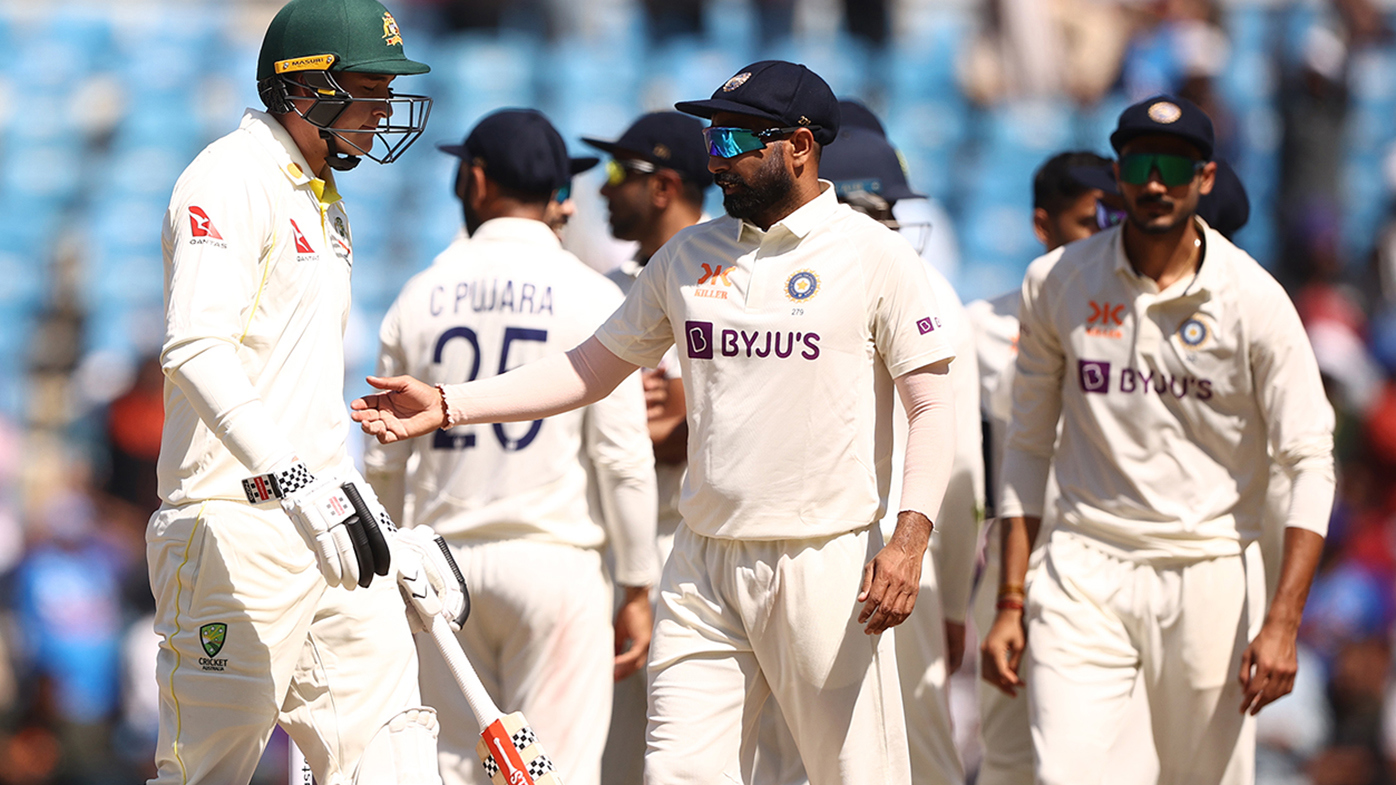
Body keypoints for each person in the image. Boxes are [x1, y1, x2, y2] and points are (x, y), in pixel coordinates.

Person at [351, 60, 960, 784]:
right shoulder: (687, 257)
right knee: (677, 772)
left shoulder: (874, 256)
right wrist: (451, 403)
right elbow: (588, 368)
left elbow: (932, 406)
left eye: (733, 141)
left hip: (825, 560)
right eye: (710, 140)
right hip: (703, 564)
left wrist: (909, 540)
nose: (716, 161)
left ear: (799, 146)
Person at [146, 1, 463, 782]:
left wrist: (366, 512)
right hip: (231, 526)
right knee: (208, 770)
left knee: (393, 752)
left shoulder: (323, 199)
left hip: (325, 522)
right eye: (370, 87)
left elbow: (298, 387)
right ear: (305, 87)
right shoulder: (230, 177)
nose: (385, 108)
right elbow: (195, 348)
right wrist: (294, 482)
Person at [980, 94, 1335, 785]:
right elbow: (1027, 444)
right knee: (1069, 774)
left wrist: (1284, 621)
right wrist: (1011, 600)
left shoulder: (1254, 299)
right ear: (1118, 173)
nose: (1154, 183)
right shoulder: (1057, 282)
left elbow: (1311, 459)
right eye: (1141, 164)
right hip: (1084, 561)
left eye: (1173, 167)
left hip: (1208, 566)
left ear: (1204, 178)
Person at [363, 108, 658, 785]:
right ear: (557, 194)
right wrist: (637, 583)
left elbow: (383, 457)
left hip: (440, 567)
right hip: (554, 563)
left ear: (474, 180)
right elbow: (621, 458)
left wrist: (388, 574)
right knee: (556, 774)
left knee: (448, 770)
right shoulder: (591, 294)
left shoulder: (418, 295)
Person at [749, 110, 982, 785]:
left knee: (788, 760)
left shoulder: (760, 286)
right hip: (904, 566)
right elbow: (962, 470)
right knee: (916, 761)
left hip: (787, 557)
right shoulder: (930, 290)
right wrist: (954, 605)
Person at [967, 150, 1157, 785]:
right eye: (1088, 221)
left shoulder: (1142, 319)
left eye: (1115, 220)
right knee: (1009, 755)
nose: (1106, 236)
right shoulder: (982, 325)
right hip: (1017, 566)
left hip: (1110, 561)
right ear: (1042, 225)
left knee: (1109, 761)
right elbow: (994, 430)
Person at [579, 110, 712, 785]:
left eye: (617, 172)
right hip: (620, 549)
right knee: (614, 761)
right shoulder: (603, 292)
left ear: (664, 186)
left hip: (703, 555)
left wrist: (685, 420)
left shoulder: (731, 280)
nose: (604, 188)